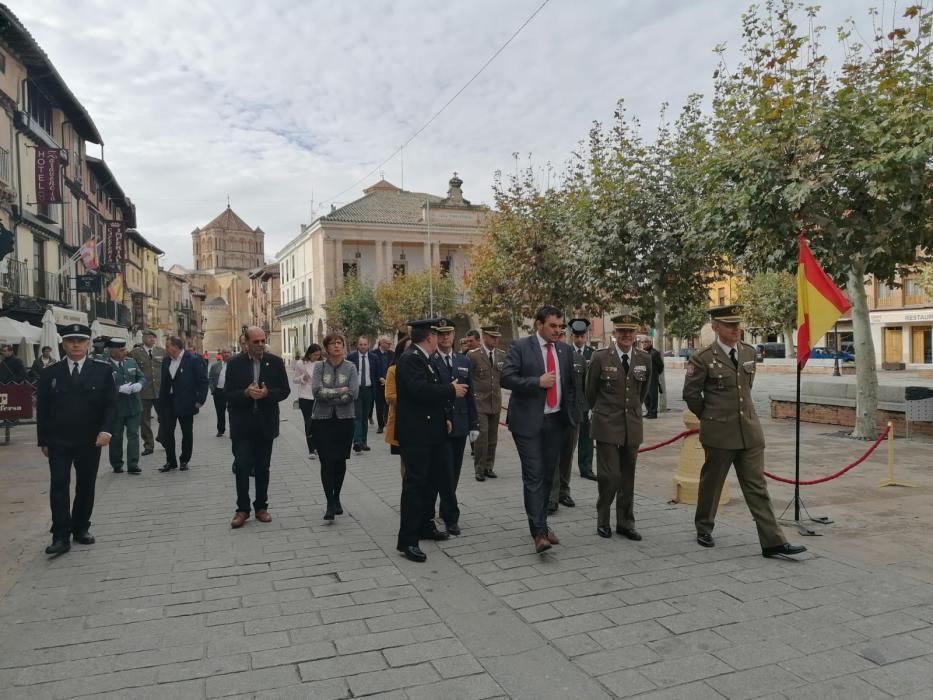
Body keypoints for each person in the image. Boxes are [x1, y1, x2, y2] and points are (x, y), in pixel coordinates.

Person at [683, 304, 807, 558]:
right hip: (719, 433)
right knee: (712, 484)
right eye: (730, 325)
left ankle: (772, 541)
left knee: (757, 487)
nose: (736, 329)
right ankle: (704, 527)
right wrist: (710, 416)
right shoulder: (703, 357)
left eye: (738, 324)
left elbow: (745, 389)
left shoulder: (749, 352)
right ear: (716, 327)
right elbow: (691, 395)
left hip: (749, 432)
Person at [501, 306, 577, 554]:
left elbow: (571, 387)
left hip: (556, 422)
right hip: (528, 423)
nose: (557, 330)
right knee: (533, 475)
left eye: (560, 326)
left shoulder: (565, 351)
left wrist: (573, 415)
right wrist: (537, 382)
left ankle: (542, 523)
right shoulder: (521, 347)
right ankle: (539, 533)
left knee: (547, 476)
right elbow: (507, 377)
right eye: (553, 326)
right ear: (539, 325)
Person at [36, 323, 116, 555]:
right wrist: (43, 440)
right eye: (71, 341)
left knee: (85, 485)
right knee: (59, 485)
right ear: (63, 344)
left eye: (80, 341)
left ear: (88, 344)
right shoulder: (50, 373)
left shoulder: (102, 371)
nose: (76, 345)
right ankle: (60, 535)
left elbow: (110, 405)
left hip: (90, 439)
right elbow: (43, 409)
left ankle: (81, 527)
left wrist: (106, 431)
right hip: (59, 440)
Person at [395, 318, 468, 563]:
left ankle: (425, 525)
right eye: (437, 334)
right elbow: (419, 391)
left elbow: (433, 390)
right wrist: (451, 390)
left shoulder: (427, 359)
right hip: (416, 434)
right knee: (415, 486)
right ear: (429, 337)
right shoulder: (410, 359)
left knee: (433, 481)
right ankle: (407, 540)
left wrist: (445, 416)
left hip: (433, 431)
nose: (441, 338)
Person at [585, 315, 651, 540]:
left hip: (631, 424)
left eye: (630, 332)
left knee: (627, 476)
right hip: (606, 424)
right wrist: (602, 411)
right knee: (609, 475)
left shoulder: (644, 358)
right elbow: (590, 391)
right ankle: (603, 519)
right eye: (622, 331)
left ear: (635, 334)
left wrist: (632, 410)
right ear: (614, 333)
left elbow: (643, 391)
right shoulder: (600, 357)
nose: (626, 335)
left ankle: (625, 522)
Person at [225, 326, 290, 528]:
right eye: (256, 342)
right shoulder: (235, 364)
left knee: (263, 468)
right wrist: (245, 393)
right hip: (242, 425)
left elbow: (285, 391)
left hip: (265, 424)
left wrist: (267, 394)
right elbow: (227, 394)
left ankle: (261, 507)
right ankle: (242, 509)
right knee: (242, 466)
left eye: (263, 341)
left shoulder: (276, 362)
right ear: (246, 341)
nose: (261, 345)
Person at [431, 323, 479, 536]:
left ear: (453, 334)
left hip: (460, 423)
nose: (445, 338)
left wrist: (474, 424)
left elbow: (470, 394)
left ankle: (444, 507)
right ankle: (451, 517)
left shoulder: (463, 360)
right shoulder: (430, 360)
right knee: (445, 471)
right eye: (441, 334)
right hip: (440, 423)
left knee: (455, 471)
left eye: (448, 333)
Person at [311, 333, 359, 520]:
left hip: (345, 419)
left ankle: (337, 496)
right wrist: (339, 391)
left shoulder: (351, 367)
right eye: (332, 343)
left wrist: (329, 394)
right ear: (326, 348)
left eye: (340, 343)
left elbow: (353, 393)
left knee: (340, 460)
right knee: (326, 461)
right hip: (322, 420)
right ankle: (329, 502)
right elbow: (316, 391)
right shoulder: (319, 367)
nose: (337, 346)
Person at [548, 318, 592, 514]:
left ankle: (564, 491)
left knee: (567, 454)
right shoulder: (548, 356)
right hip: (554, 413)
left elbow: (585, 388)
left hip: (574, 414)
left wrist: (586, 409)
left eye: (560, 332)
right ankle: (551, 496)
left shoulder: (579, 359)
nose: (558, 335)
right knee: (553, 455)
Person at [157, 336, 208, 473]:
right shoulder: (166, 361)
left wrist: (200, 400)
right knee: (167, 432)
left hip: (186, 402)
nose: (166, 349)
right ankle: (170, 461)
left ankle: (184, 459)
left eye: (168, 346)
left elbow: (203, 381)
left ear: (176, 346)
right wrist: (160, 403)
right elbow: (164, 384)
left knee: (186, 433)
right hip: (169, 402)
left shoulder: (193, 360)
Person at [468, 324, 506, 481]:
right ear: (484, 337)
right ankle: (479, 469)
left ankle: (489, 466)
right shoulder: (474, 356)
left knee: (492, 437)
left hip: (495, 401)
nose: (496, 340)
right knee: (482, 436)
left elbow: (503, 378)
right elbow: (468, 379)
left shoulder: (502, 355)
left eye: (497, 337)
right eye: (492, 337)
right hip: (479, 402)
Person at [106, 338, 146, 475]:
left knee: (133, 434)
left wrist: (139, 384)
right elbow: (101, 387)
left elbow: (141, 376)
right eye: (121, 350)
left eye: (124, 349)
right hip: (115, 408)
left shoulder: (131, 362)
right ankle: (117, 464)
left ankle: (133, 464)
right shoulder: (104, 366)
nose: (125, 352)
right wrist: (117, 389)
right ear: (112, 350)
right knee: (116, 436)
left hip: (133, 405)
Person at [130, 330, 164, 456]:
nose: (151, 339)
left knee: (164, 417)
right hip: (144, 391)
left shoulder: (161, 352)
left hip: (159, 390)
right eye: (148, 337)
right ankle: (148, 445)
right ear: (143, 338)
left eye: (153, 337)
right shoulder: (135, 353)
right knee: (144, 420)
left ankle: (162, 436)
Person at [384, 336, 411, 475]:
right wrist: (413, 398)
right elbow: (389, 396)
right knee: (406, 460)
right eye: (409, 348)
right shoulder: (393, 370)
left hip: (423, 422)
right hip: (401, 421)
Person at [346, 336, 377, 453]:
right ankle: (357, 442)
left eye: (365, 344)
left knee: (365, 417)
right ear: (357, 345)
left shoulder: (374, 358)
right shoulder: (351, 357)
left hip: (368, 390)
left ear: (368, 345)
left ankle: (364, 442)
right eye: (361, 344)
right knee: (357, 417)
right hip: (356, 390)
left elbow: (376, 374)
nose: (363, 346)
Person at [293, 344, 322, 458]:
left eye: (318, 355)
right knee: (309, 422)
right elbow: (294, 379)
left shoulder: (321, 363)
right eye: (315, 355)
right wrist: (302, 378)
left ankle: (318, 446)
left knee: (319, 422)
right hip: (305, 396)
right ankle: (311, 449)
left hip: (318, 395)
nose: (316, 357)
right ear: (310, 353)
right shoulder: (301, 363)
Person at [372, 336, 394, 434]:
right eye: (387, 343)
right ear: (381, 343)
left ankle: (387, 422)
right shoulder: (373, 354)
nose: (389, 345)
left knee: (388, 404)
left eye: (390, 343)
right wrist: (379, 378)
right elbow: (372, 368)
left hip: (390, 383)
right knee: (379, 405)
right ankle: (380, 425)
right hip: (378, 383)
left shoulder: (392, 354)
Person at [208, 348, 232, 437]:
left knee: (232, 411)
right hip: (218, 392)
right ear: (221, 354)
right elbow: (210, 378)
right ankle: (221, 430)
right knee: (220, 412)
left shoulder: (234, 365)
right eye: (224, 352)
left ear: (231, 353)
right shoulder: (215, 366)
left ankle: (233, 429)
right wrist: (212, 389)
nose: (226, 354)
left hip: (230, 392)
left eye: (228, 352)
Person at [641, 335, 664, 419]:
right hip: (644, 378)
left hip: (652, 378)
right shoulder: (642, 353)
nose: (644, 344)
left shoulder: (655, 353)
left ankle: (653, 412)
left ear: (650, 342)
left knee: (652, 395)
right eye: (642, 342)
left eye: (646, 342)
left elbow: (660, 366)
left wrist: (655, 374)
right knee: (646, 396)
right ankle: (649, 411)